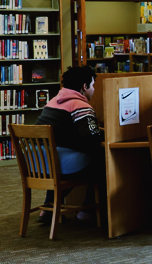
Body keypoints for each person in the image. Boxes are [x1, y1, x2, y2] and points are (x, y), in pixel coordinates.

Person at [35, 65, 105, 225]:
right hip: (58, 164)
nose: (93, 90)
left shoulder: (52, 102)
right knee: (103, 160)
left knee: (62, 160)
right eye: (92, 85)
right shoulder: (80, 105)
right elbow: (92, 137)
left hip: (37, 164)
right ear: (84, 86)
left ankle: (48, 207)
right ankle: (86, 211)